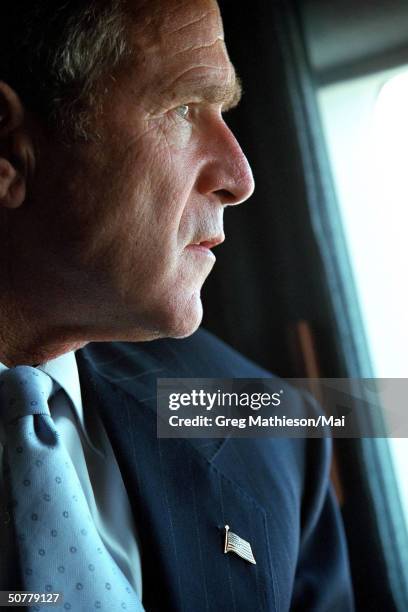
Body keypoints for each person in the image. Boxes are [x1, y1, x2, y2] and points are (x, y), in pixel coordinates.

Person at [0, 0, 354, 610]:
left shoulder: (270, 432)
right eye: (184, 107)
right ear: (8, 152)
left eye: (223, 112)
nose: (239, 178)